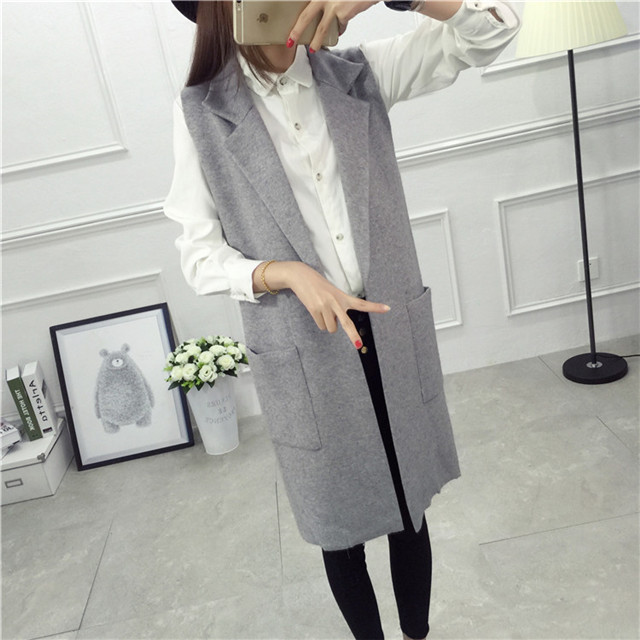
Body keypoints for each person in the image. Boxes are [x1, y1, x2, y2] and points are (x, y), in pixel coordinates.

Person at [164, 2, 519, 638]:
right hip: (308, 348)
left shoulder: (358, 74)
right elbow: (197, 255)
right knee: (340, 528)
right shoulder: (202, 113)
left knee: (410, 507)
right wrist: (285, 273)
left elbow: (490, 30)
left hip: (389, 328)